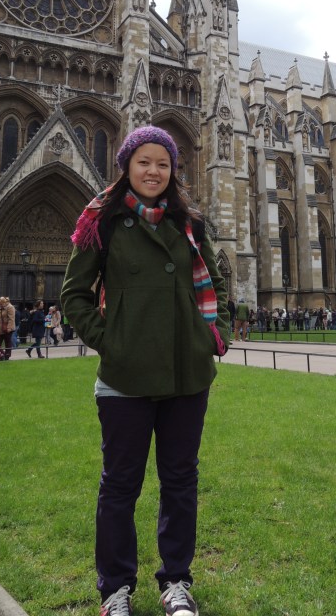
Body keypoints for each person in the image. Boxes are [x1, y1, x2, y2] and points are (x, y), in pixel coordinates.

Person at [61, 125, 230, 616]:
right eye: (144, 162)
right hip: (125, 380)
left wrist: (216, 335)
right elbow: (74, 296)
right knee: (120, 486)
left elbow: (217, 281)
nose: (154, 171)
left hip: (186, 375)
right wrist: (114, 345)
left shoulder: (188, 220)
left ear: (173, 169)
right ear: (127, 166)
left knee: (180, 482)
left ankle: (176, 581)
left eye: (163, 163)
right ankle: (115, 589)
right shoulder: (103, 220)